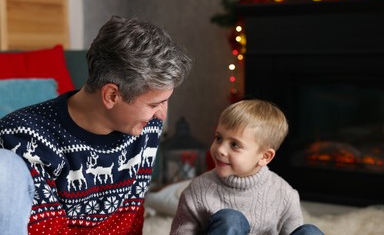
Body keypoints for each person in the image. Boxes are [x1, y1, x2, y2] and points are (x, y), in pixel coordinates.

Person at [0, 15, 192, 234]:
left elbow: (133, 219)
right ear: (111, 95)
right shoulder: (23, 139)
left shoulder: (145, 128)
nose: (161, 115)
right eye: (154, 104)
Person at [170, 99, 323, 235]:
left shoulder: (285, 195)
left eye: (235, 145)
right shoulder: (197, 191)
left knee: (310, 232)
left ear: (264, 157)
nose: (221, 149)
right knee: (230, 219)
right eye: (218, 138)